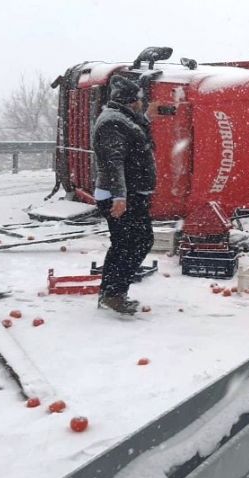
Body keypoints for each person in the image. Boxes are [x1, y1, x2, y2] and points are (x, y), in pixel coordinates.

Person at [93, 75, 156, 314]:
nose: (142, 103)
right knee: (136, 242)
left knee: (124, 243)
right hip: (120, 195)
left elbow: (136, 135)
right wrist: (120, 197)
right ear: (132, 101)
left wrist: (150, 115)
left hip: (127, 193)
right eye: (140, 99)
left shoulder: (120, 118)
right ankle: (114, 293)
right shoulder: (113, 122)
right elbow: (113, 162)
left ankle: (111, 293)